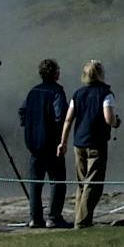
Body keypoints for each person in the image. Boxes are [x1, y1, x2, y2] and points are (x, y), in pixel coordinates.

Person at [17, 59, 71, 230]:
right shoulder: (56, 91)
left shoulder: (33, 91)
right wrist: (61, 139)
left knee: (35, 182)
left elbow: (22, 111)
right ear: (54, 73)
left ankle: (35, 218)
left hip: (33, 144)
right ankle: (54, 217)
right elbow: (60, 116)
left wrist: (29, 126)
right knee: (57, 180)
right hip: (51, 143)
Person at [66, 60, 118, 228]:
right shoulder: (106, 93)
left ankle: (78, 217)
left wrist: (62, 142)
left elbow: (68, 119)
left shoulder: (78, 94)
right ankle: (82, 222)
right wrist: (116, 122)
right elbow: (108, 118)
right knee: (93, 183)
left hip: (78, 143)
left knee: (82, 183)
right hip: (96, 142)